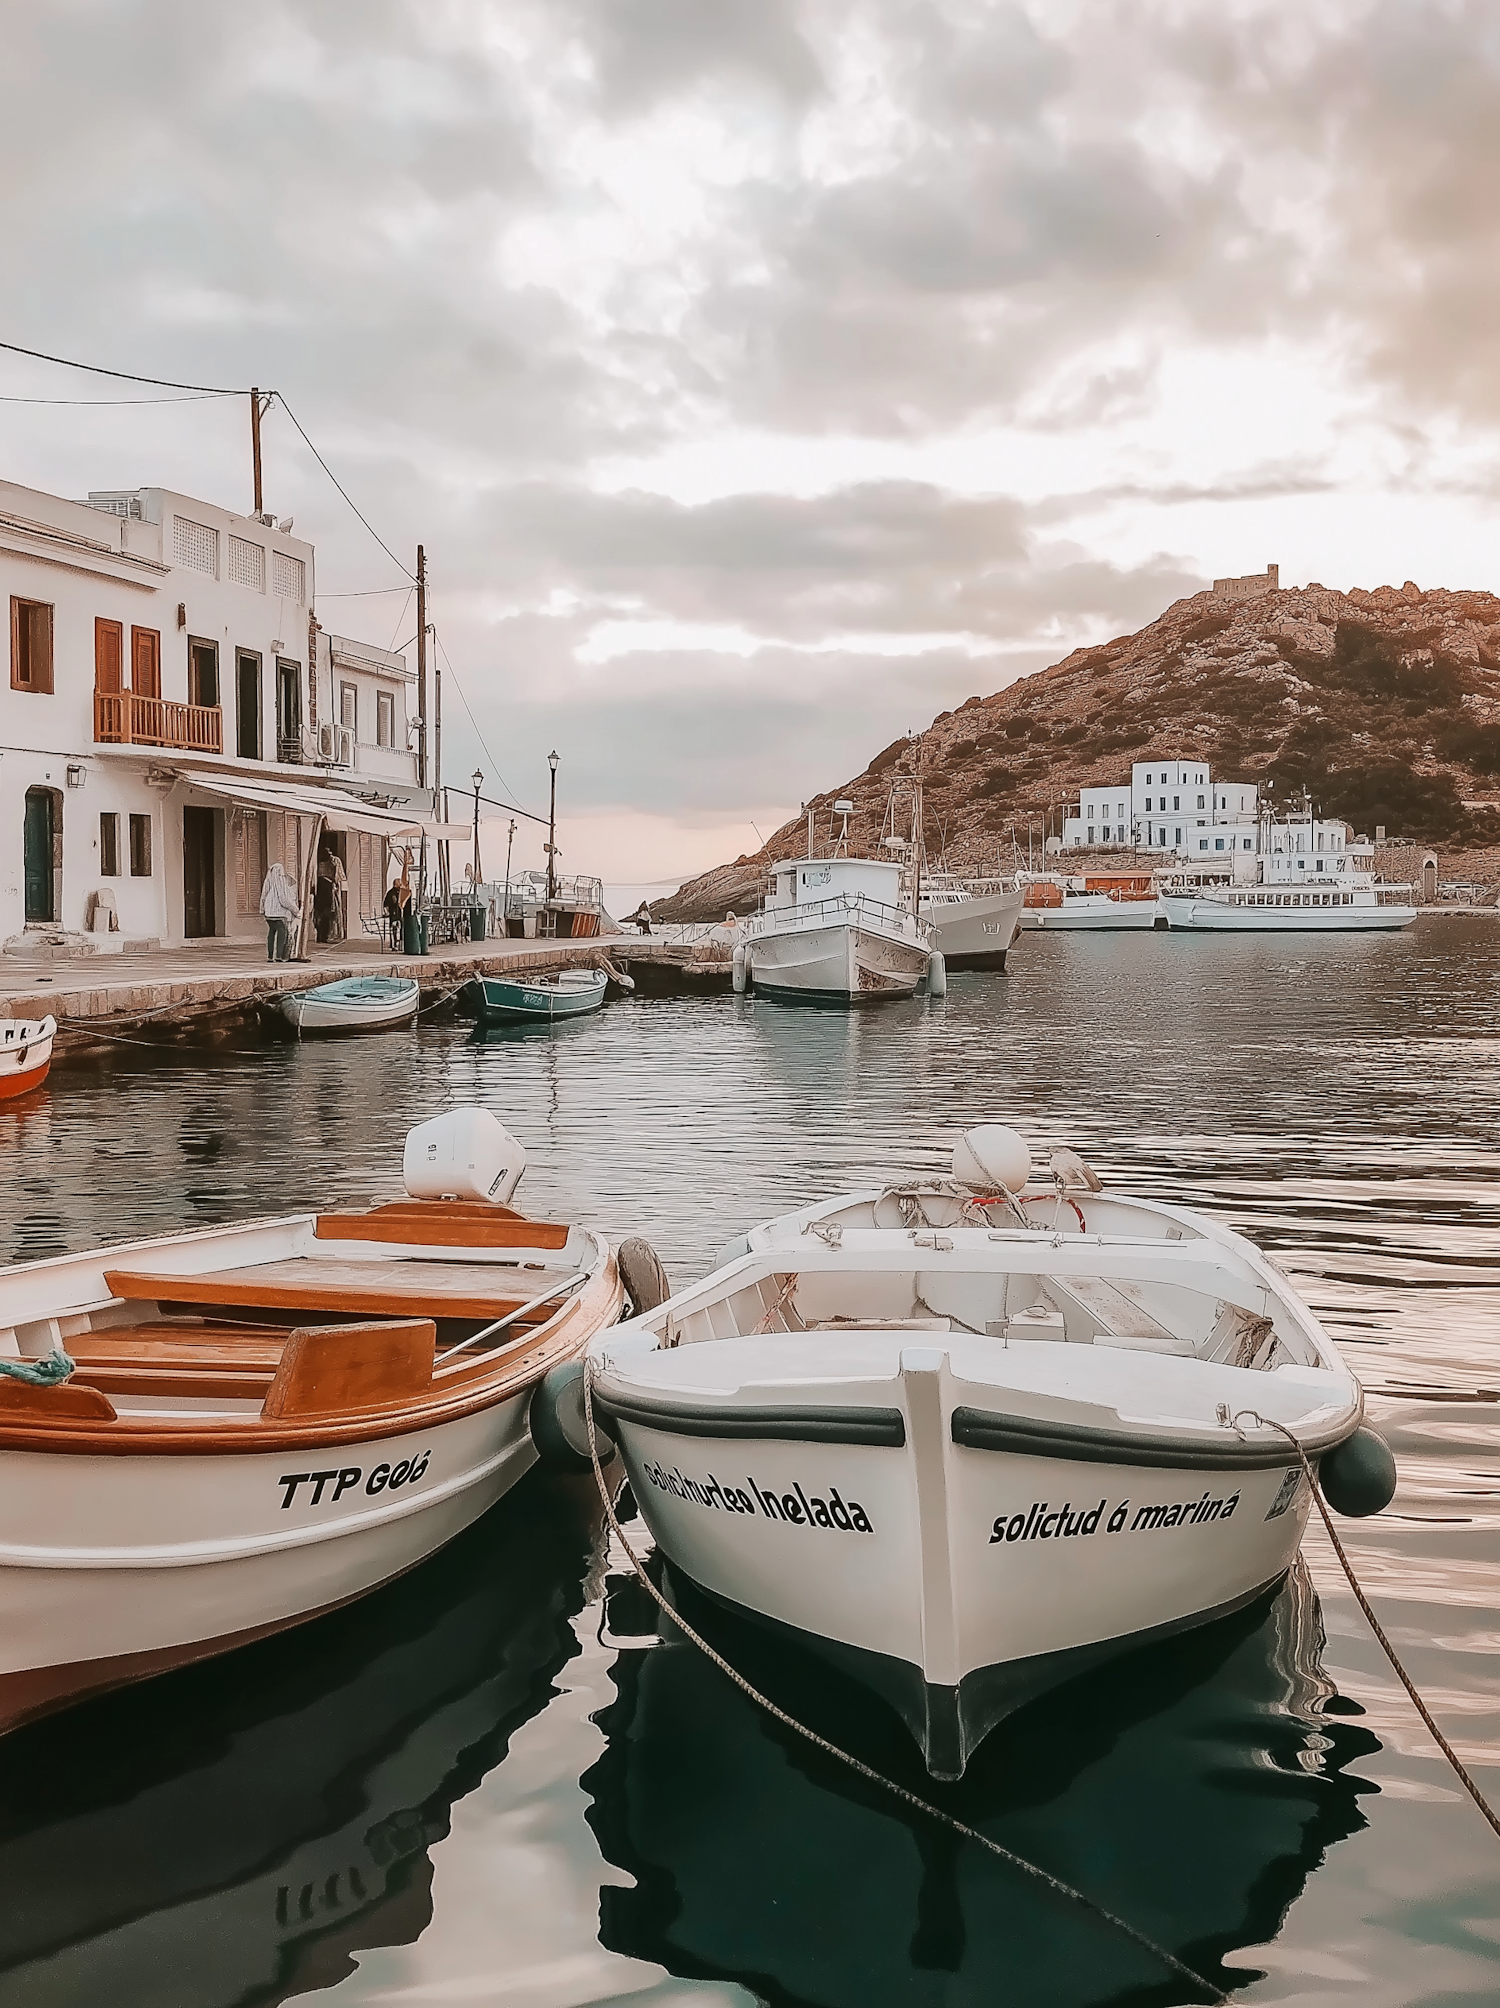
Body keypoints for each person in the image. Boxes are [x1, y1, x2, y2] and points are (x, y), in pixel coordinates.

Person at [260, 861, 301, 962]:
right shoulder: (281, 881)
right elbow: (284, 899)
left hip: (269, 912)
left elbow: (263, 895)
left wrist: (262, 909)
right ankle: (279, 955)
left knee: (271, 932)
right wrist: (296, 911)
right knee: (282, 932)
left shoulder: (268, 881)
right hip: (279, 913)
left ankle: (270, 956)